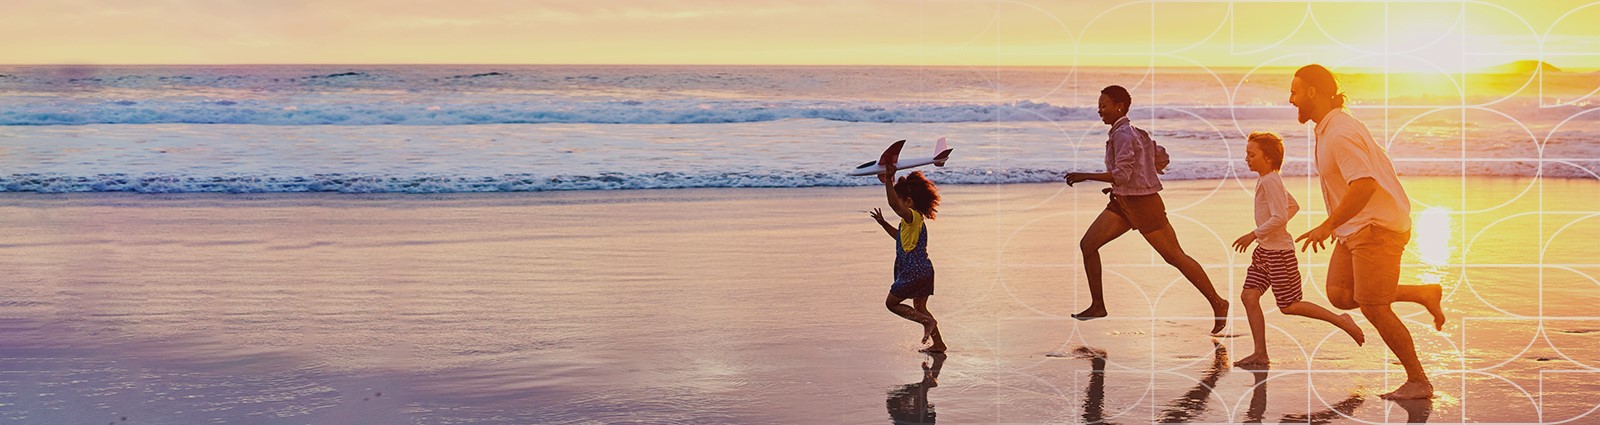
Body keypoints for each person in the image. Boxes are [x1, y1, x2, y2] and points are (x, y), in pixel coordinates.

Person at [1288, 64, 1446, 400]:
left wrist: (1327, 225)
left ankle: (1419, 380)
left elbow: (1364, 185)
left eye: (1295, 91)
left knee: (1374, 306)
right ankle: (1423, 293)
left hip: (1376, 228)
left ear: (1313, 92)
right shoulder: (1330, 127)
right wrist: (1339, 224)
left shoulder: (1340, 132)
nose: (1291, 99)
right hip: (1357, 225)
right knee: (1341, 294)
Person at [1064, 85, 1229, 334]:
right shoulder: (1136, 132)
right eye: (1099, 105)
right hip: (1123, 203)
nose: (1100, 110)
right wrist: (1145, 170)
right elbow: (1161, 157)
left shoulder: (1124, 135)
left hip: (1145, 206)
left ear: (1119, 106)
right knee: (1088, 245)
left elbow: (1121, 175)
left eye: (1104, 105)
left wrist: (1084, 175)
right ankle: (1098, 305)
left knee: (1174, 256)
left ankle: (1218, 302)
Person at [1231, 131, 1364, 368]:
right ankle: (1260, 353)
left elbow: (1280, 215)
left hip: (1279, 254)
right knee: (1249, 296)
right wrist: (1267, 232)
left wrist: (1254, 233)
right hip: (1265, 251)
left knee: (1289, 305)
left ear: (1269, 158)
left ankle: (1341, 320)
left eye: (1252, 154)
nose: (1246, 159)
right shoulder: (1267, 179)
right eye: (1246, 154)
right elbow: (1293, 206)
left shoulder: (1271, 181)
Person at [869, 163, 947, 352]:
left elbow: (894, 205)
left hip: (914, 270)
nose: (897, 205)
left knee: (892, 303)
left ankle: (927, 322)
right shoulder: (909, 223)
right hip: (924, 270)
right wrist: (883, 223)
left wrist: (888, 180)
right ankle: (938, 344)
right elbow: (899, 237)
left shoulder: (913, 217)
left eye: (900, 200)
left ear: (909, 202)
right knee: (919, 307)